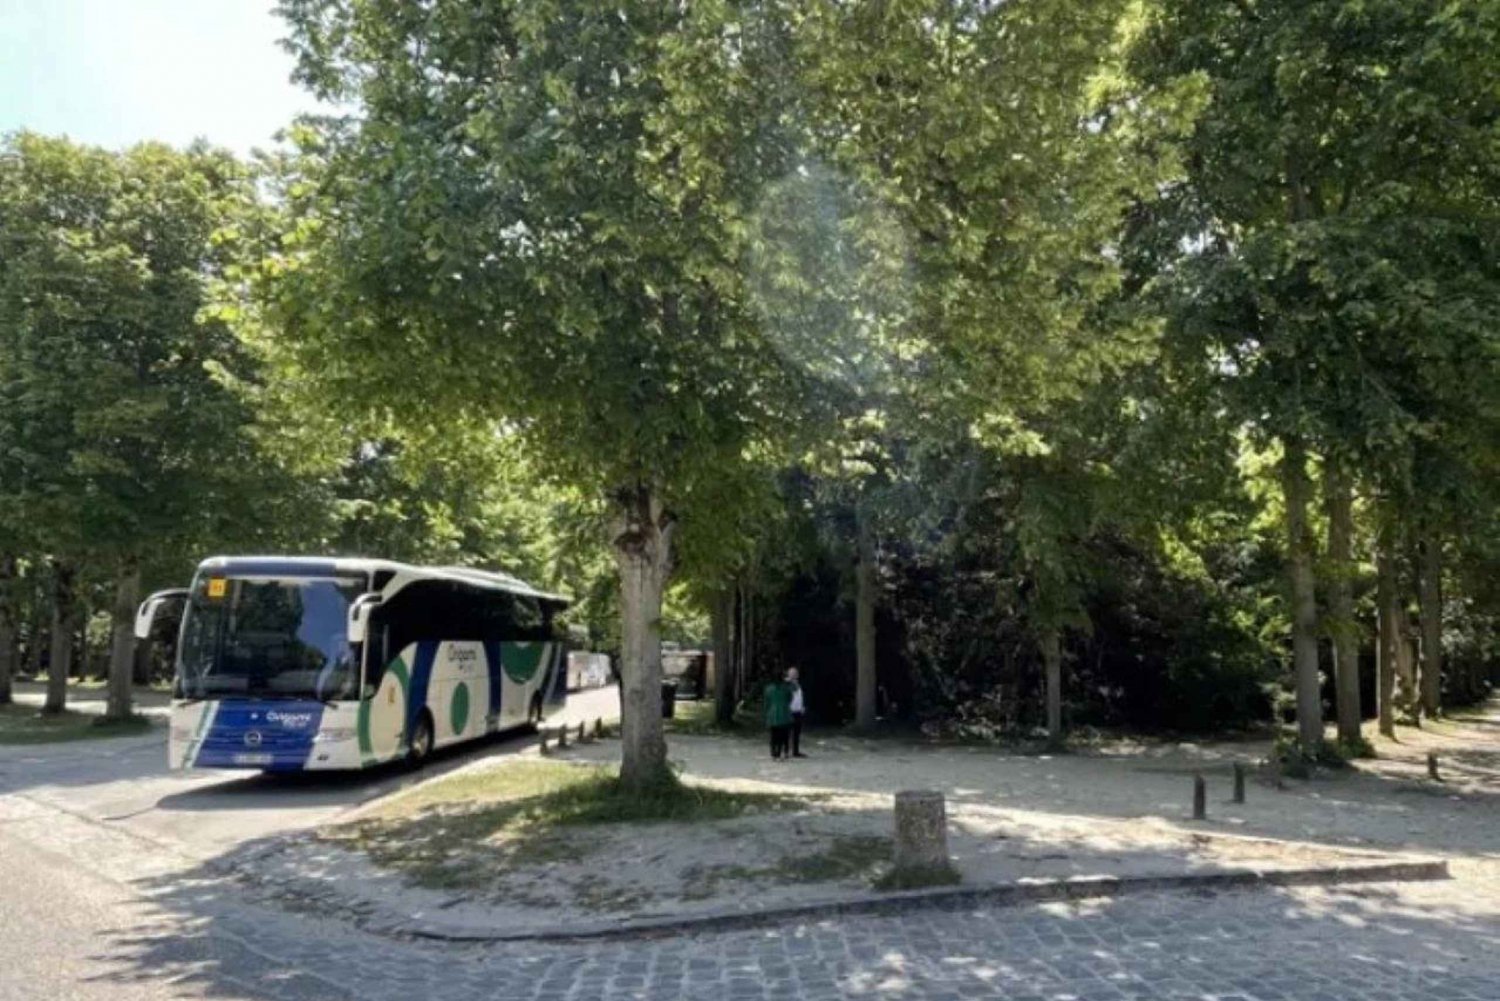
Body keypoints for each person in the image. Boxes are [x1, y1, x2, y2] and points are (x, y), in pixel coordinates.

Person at [763, 673, 793, 760]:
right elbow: (790, 698)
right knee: (782, 735)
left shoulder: (768, 689)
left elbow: (766, 703)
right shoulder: (786, 689)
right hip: (784, 714)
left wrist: (766, 714)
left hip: (772, 714)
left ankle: (773, 752)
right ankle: (779, 752)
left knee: (773, 735)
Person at [787, 667, 807, 758]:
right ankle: (786, 751)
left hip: (798, 711)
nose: (794, 675)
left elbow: (799, 697)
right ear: (788, 674)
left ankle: (795, 751)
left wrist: (802, 707)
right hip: (789, 711)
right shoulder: (787, 684)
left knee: (796, 732)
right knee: (787, 732)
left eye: (795, 673)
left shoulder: (798, 684)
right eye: (792, 673)